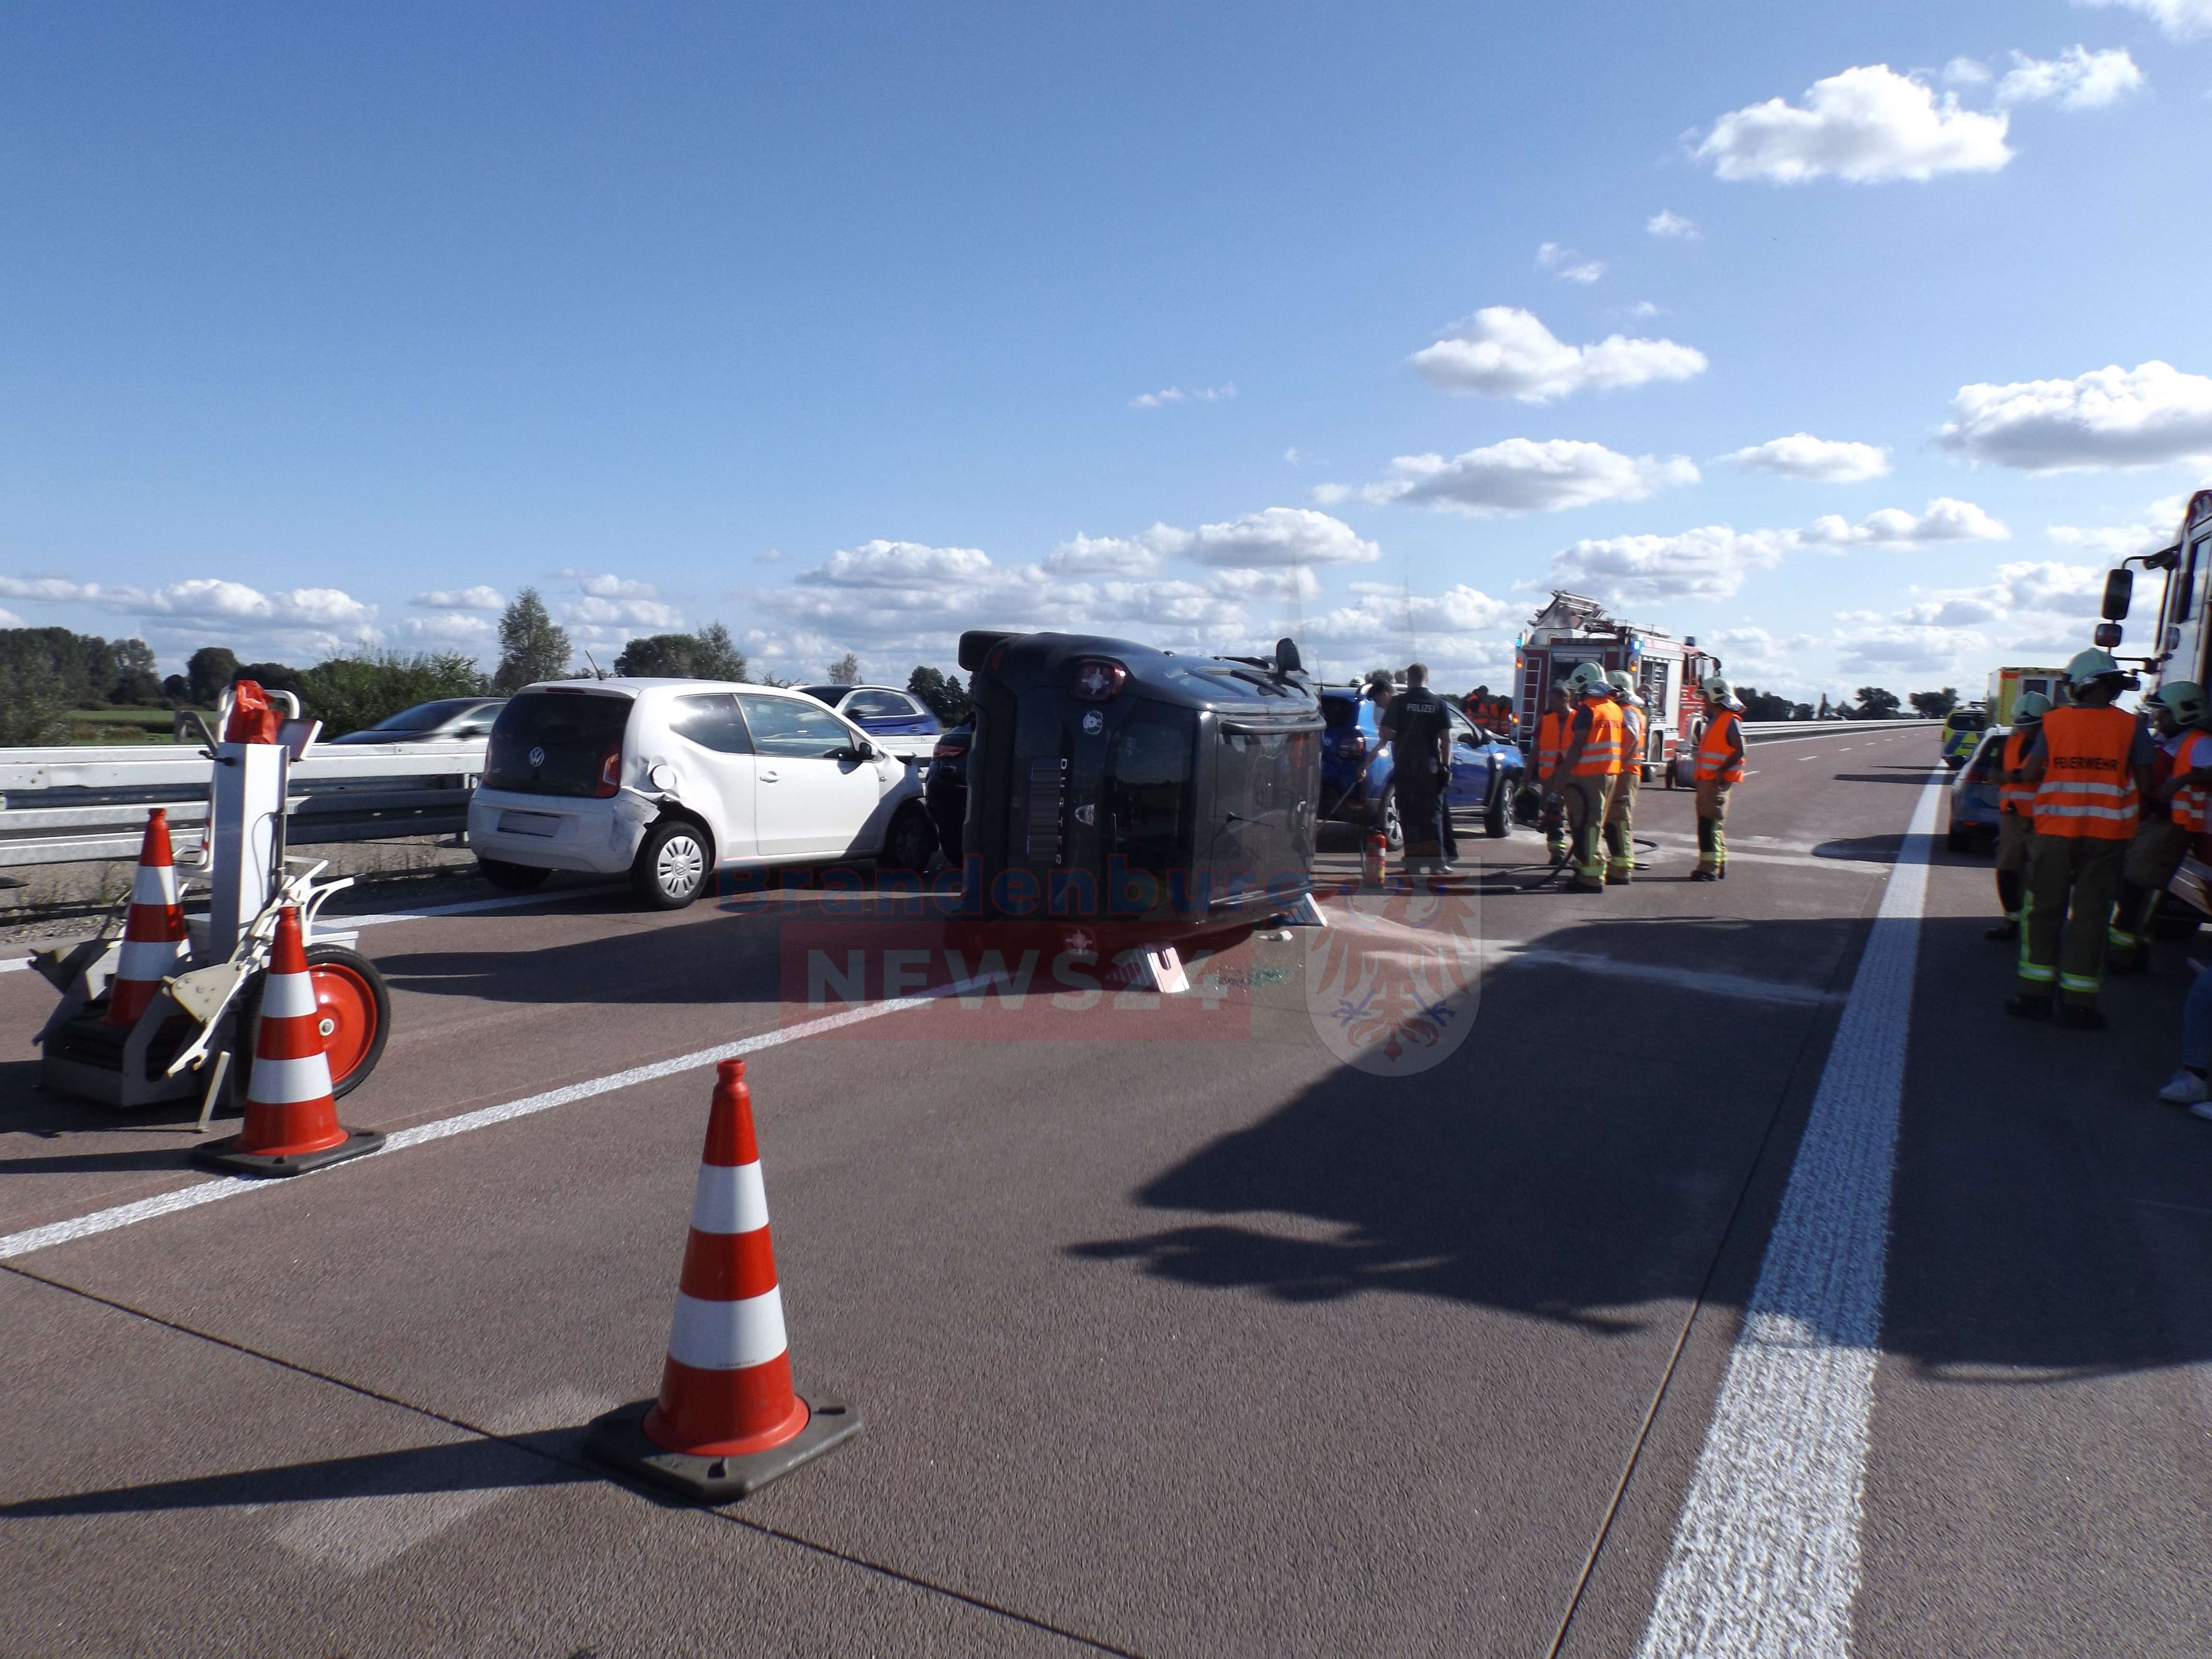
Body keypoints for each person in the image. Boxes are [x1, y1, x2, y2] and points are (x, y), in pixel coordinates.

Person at [2007, 648, 2156, 1029]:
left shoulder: (2054, 722)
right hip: (2108, 836)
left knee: (2043, 912)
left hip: (2055, 834)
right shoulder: (2132, 726)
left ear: (2079, 685)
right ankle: (2078, 1005)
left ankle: (2035, 997)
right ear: (2111, 685)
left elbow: (2032, 773)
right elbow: (2146, 784)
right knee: (2091, 918)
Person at [2109, 682, 2212, 971]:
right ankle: (2132, 951)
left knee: (2136, 890)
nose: (2157, 718)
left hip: (2171, 827)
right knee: (2133, 887)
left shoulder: (2200, 742)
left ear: (2183, 712)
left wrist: (2180, 782)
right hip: (2153, 823)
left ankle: (2123, 955)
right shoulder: (2169, 740)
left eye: (2163, 713)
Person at [1551, 661, 1623, 893]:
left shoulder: (1588, 709)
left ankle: (1591, 877)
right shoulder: (1613, 708)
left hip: (1587, 776)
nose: (1574, 694)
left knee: (1586, 825)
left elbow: (1578, 744)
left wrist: (1562, 777)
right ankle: (1586, 871)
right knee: (1593, 823)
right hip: (1608, 773)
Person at [1984, 692, 2049, 941]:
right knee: (2007, 869)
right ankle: (2010, 920)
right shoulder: (2010, 743)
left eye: (2033, 725)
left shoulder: (2056, 744)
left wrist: (2025, 776)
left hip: (2044, 820)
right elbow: (1993, 775)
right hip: (2012, 819)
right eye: (2024, 725)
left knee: (2041, 876)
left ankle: (2036, 926)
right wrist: (2010, 777)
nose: (2028, 730)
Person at [1379, 662, 1454, 878]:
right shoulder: (1439, 703)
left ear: (1408, 679)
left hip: (1405, 766)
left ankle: (1413, 864)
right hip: (1430, 767)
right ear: (1426, 679)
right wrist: (1446, 766)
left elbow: (1385, 732)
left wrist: (1402, 737)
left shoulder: (1398, 702)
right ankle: (1437, 864)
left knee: (1409, 814)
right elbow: (1447, 739)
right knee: (1432, 814)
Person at [1691, 675, 1745, 881]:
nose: (1703, 701)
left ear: (1716, 696)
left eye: (1705, 696)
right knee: (1710, 823)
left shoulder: (1730, 720)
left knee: (1709, 824)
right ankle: (1718, 863)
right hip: (1708, 780)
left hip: (1716, 782)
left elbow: (1740, 750)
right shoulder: (1715, 721)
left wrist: (1722, 771)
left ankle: (1709, 869)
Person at [1602, 668, 1644, 886]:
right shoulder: (1623, 710)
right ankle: (1619, 864)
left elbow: (1633, 738)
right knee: (1613, 819)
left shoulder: (1628, 711)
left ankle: (1622, 869)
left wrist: (1619, 765)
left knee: (1619, 819)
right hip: (1623, 770)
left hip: (1626, 772)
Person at [1532, 683, 1571, 863]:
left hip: (1573, 774)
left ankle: (1583, 855)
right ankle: (1557, 853)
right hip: (1550, 775)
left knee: (1578, 814)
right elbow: (1536, 747)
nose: (1550, 703)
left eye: (1553, 700)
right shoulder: (1546, 719)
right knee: (1553, 812)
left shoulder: (1578, 719)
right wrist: (1527, 773)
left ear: (1565, 699)